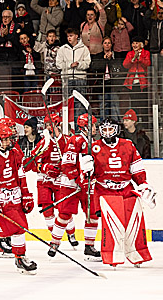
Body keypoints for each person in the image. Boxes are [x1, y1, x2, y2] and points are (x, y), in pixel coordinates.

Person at [82, 118, 155, 267]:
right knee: (112, 225)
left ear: (116, 129)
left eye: (110, 129)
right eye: (104, 130)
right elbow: (86, 176)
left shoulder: (127, 145)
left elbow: (137, 167)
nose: (107, 133)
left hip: (126, 189)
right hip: (105, 190)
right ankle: (111, 257)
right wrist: (87, 168)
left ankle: (138, 254)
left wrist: (143, 184)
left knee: (134, 223)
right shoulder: (94, 147)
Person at [0, 119, 38, 275]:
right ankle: (19, 256)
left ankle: (19, 257)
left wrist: (26, 195)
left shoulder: (15, 153)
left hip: (15, 196)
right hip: (0, 199)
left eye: (9, 138)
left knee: (21, 227)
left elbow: (21, 177)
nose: (8, 142)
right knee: (17, 228)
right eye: (4, 139)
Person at [47, 114, 98, 259]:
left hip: (87, 185)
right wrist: (78, 178)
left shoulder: (94, 142)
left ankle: (89, 246)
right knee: (64, 214)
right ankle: (54, 243)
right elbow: (67, 164)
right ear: (85, 127)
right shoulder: (75, 140)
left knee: (92, 214)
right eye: (93, 125)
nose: (95, 128)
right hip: (71, 185)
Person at [32, 113, 77, 244]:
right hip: (44, 180)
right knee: (47, 208)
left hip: (61, 179)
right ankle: (54, 236)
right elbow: (33, 163)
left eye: (51, 124)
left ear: (58, 125)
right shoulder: (42, 142)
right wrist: (44, 167)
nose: (49, 127)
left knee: (63, 208)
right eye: (46, 125)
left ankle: (71, 233)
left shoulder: (67, 141)